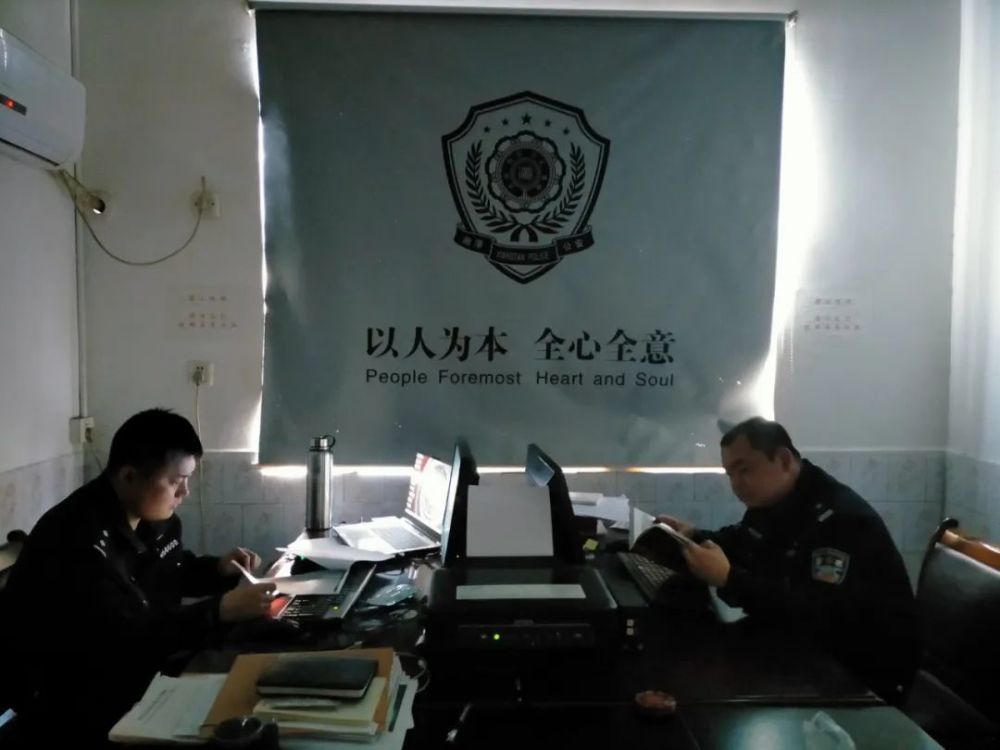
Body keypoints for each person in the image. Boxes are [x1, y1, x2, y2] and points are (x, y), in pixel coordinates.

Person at [2, 408, 276, 745]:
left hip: (139, 673)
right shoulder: (77, 540)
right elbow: (126, 637)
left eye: (188, 479)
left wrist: (218, 569)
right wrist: (219, 610)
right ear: (129, 475)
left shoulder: (151, 516)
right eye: (175, 481)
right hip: (73, 702)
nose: (185, 492)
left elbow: (170, 570)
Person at [659, 417, 919, 704]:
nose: (736, 485)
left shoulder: (840, 519)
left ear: (783, 460)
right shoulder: (778, 499)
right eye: (730, 474)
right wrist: (692, 537)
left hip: (862, 675)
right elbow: (744, 539)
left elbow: (812, 612)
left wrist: (729, 579)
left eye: (744, 470)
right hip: (808, 652)